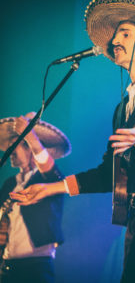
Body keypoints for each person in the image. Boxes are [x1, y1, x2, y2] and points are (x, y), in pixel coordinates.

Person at [10, 0, 135, 282]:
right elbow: (108, 173)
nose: (113, 42)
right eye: (115, 35)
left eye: (124, 32)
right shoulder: (122, 109)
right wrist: (49, 189)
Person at [0, 112, 71, 283]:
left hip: (36, 267)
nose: (10, 152)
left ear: (29, 149)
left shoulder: (48, 179)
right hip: (7, 265)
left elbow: (48, 167)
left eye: (14, 146)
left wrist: (31, 136)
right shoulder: (10, 183)